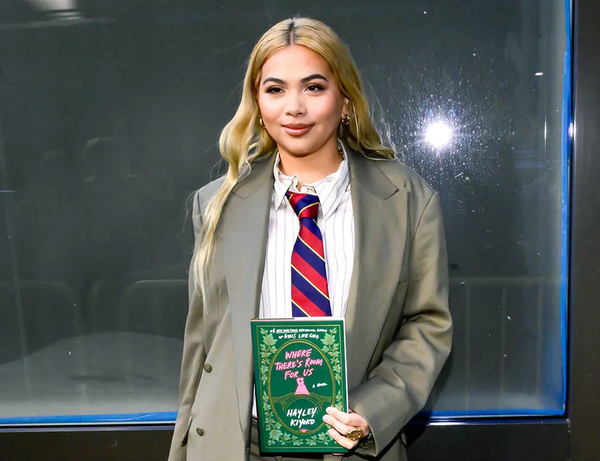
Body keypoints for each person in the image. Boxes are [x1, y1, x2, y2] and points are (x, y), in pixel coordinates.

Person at [169, 17, 452, 461]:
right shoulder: (216, 205)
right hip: (239, 447)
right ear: (257, 102)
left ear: (345, 100)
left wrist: (374, 411)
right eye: (275, 89)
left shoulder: (407, 200)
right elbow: (201, 346)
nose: (294, 108)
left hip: (352, 448)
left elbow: (427, 324)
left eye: (314, 87)